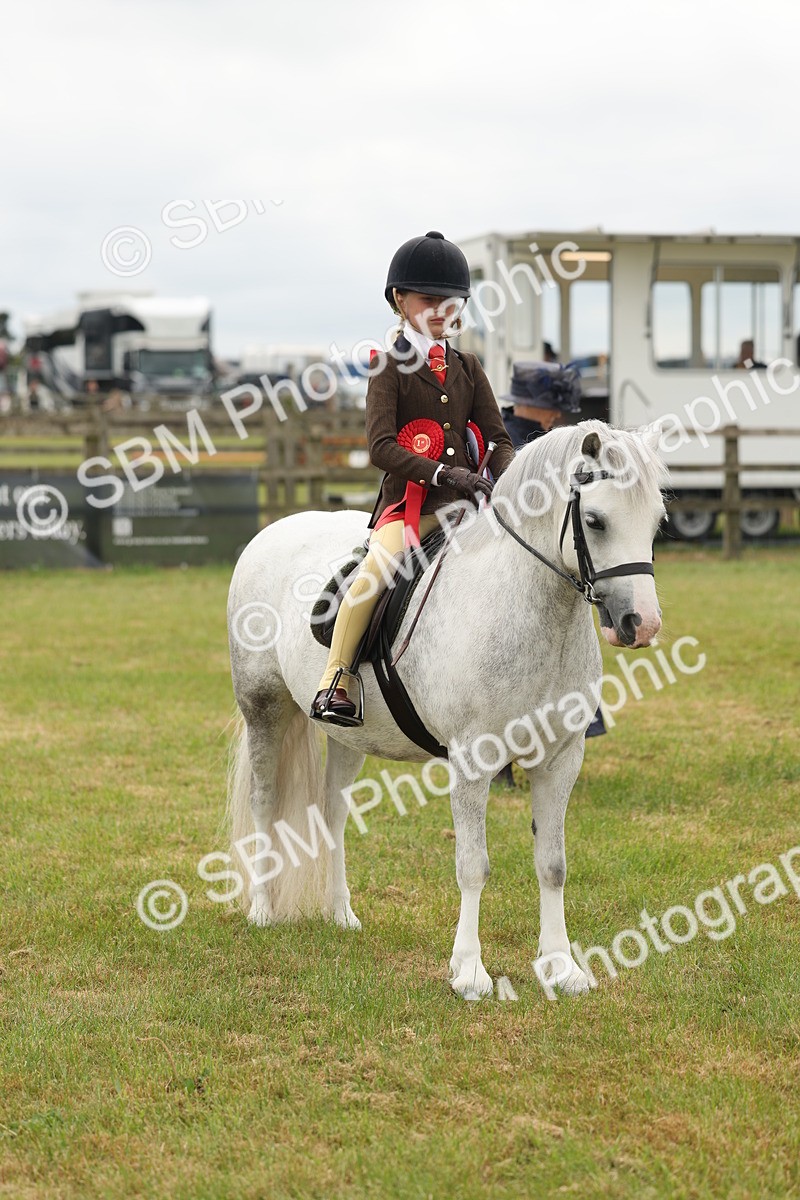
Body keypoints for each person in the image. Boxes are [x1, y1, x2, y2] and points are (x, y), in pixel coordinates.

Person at [310, 230, 516, 724]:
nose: (442, 311)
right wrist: (446, 472)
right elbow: (381, 448)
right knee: (376, 572)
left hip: (471, 509)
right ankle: (337, 679)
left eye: (452, 301)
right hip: (411, 510)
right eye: (430, 300)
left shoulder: (469, 366)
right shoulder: (389, 368)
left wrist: (509, 478)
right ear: (400, 301)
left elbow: (498, 438)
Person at [499, 359, 607, 756]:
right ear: (542, 406)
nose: (558, 415)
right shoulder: (517, 442)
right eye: (555, 406)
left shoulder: (539, 435)